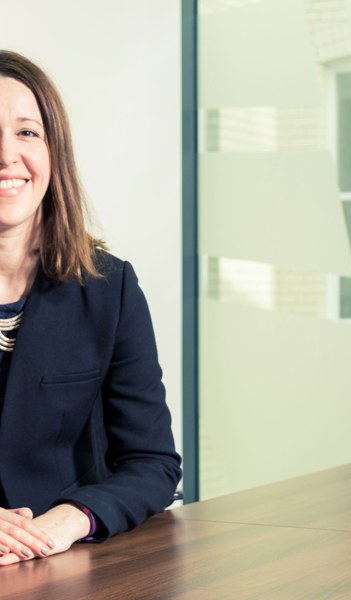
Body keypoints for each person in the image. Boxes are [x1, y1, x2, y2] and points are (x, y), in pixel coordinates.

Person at [0, 49, 181, 565]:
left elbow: (151, 463)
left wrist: (67, 521)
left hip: (65, 567)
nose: (7, 154)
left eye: (27, 132)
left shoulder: (109, 287)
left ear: (54, 152)